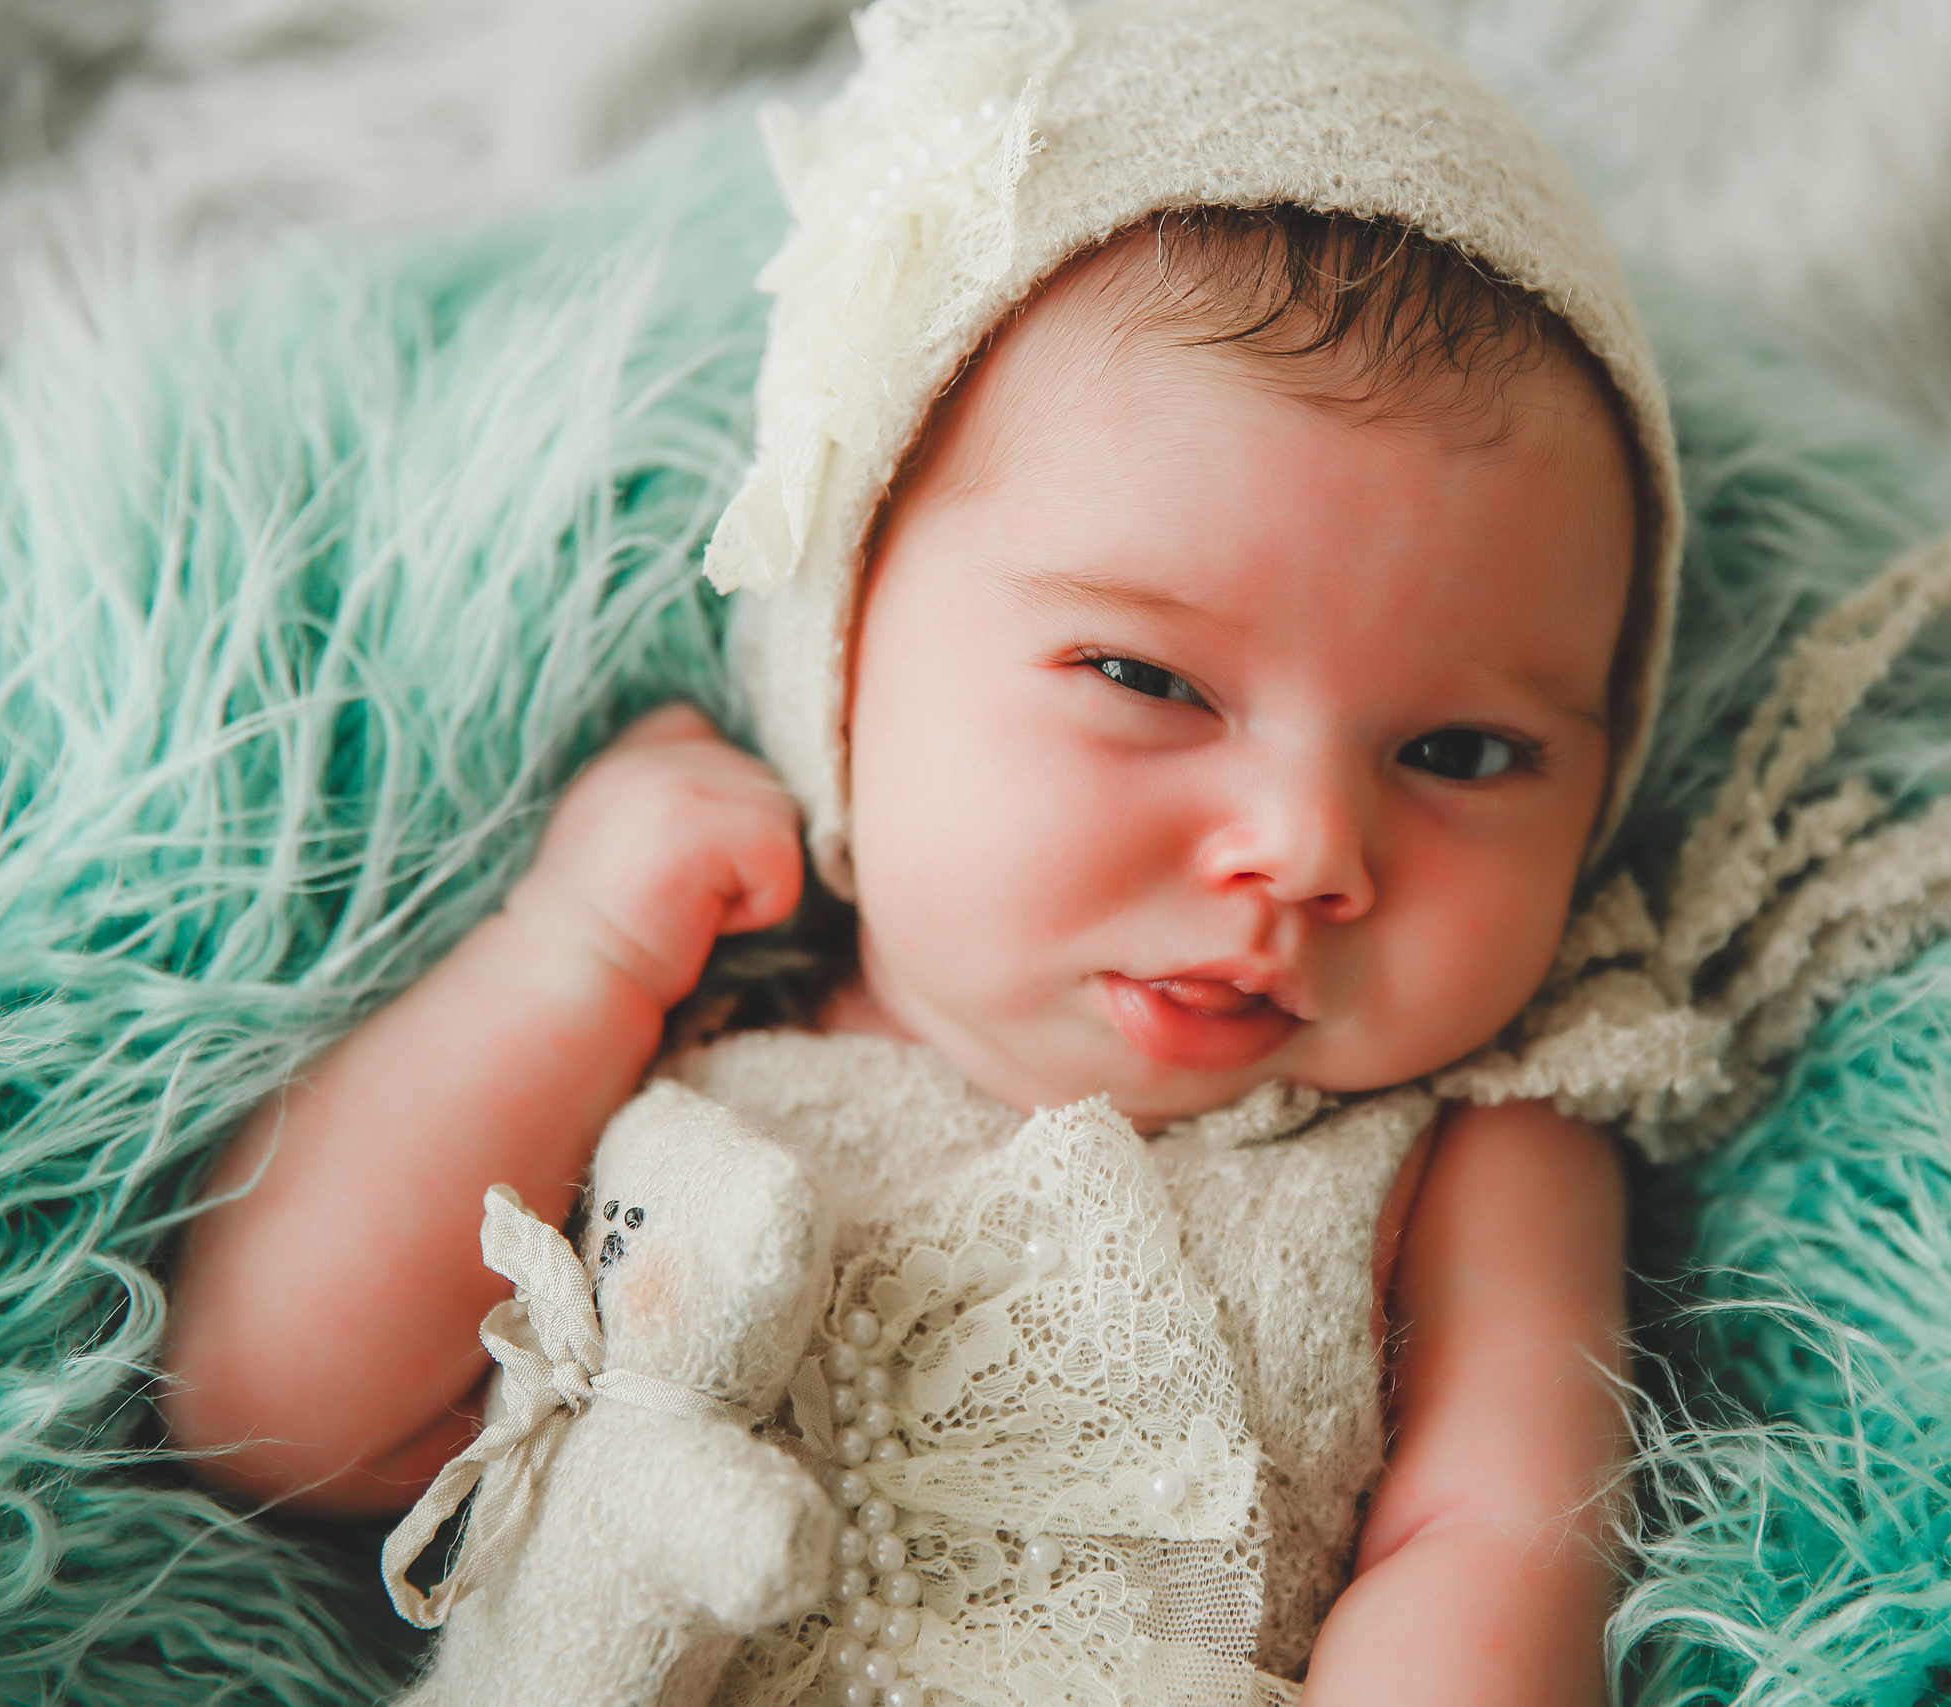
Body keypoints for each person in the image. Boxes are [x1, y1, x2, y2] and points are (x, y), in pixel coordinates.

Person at [161, 0, 1691, 1700]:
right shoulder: (700, 1018)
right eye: (1147, 679)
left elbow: (1491, 1543)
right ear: (843, 670)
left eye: (1463, 752)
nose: (1308, 848)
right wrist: (571, 948)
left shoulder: (1474, 1148)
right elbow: (274, 1413)